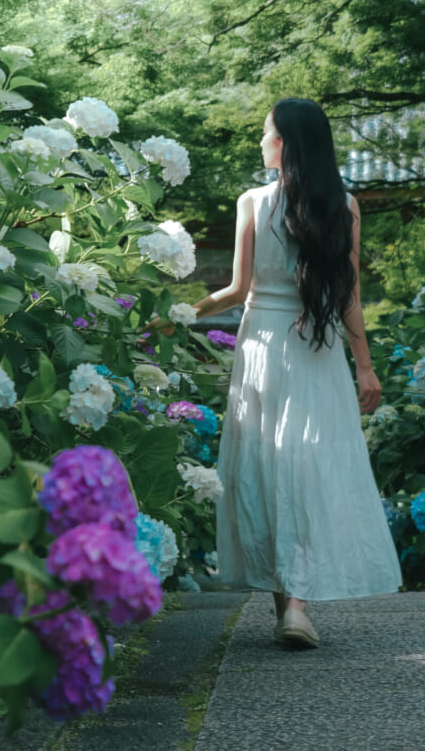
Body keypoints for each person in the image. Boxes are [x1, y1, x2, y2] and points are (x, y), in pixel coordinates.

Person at [166, 98, 401, 647]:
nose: (260, 142)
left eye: (266, 133)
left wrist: (178, 313)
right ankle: (294, 606)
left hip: (263, 349)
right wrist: (365, 368)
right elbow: (348, 296)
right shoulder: (343, 204)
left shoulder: (253, 202)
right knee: (310, 466)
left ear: (287, 144)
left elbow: (236, 292)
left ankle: (288, 609)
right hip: (315, 350)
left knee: (267, 467)